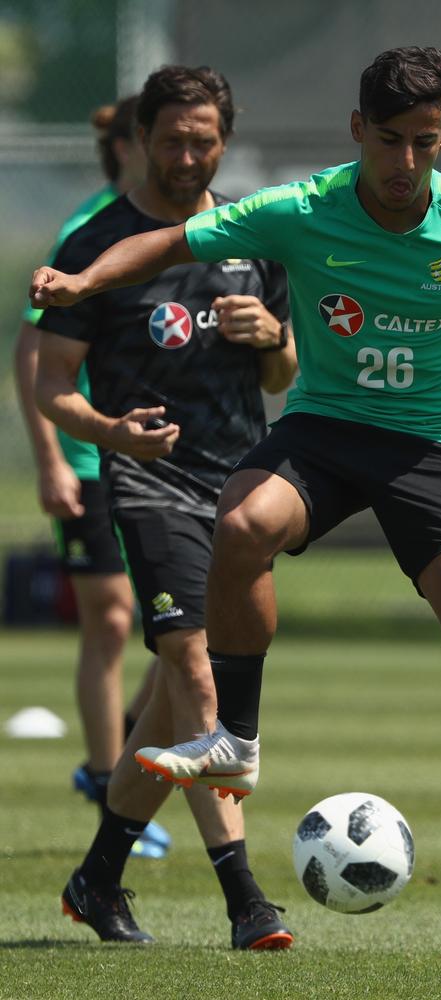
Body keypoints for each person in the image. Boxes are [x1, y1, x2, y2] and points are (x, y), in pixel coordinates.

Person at [30, 47, 441, 889]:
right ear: (358, 129)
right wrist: (80, 281)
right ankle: (235, 744)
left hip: (434, 439)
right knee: (243, 524)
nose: (405, 163)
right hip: (325, 427)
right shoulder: (301, 209)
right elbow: (168, 243)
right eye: (389, 140)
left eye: (424, 143)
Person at [31, 64, 297, 948]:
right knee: (196, 673)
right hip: (146, 483)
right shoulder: (98, 246)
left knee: (168, 710)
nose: (188, 156)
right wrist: (110, 431)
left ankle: (98, 878)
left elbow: (285, 374)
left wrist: (273, 339)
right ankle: (244, 898)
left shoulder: (255, 235)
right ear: (140, 138)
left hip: (242, 486)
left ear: (225, 139)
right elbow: (51, 386)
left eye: (205, 140)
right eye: (173, 139)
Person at [14, 95, 170, 860]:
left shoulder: (194, 225)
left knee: (183, 635)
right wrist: (50, 458)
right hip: (90, 455)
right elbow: (33, 353)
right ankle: (109, 780)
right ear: (130, 147)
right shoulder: (90, 228)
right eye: (161, 139)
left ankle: (130, 755)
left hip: (169, 457)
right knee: (111, 621)